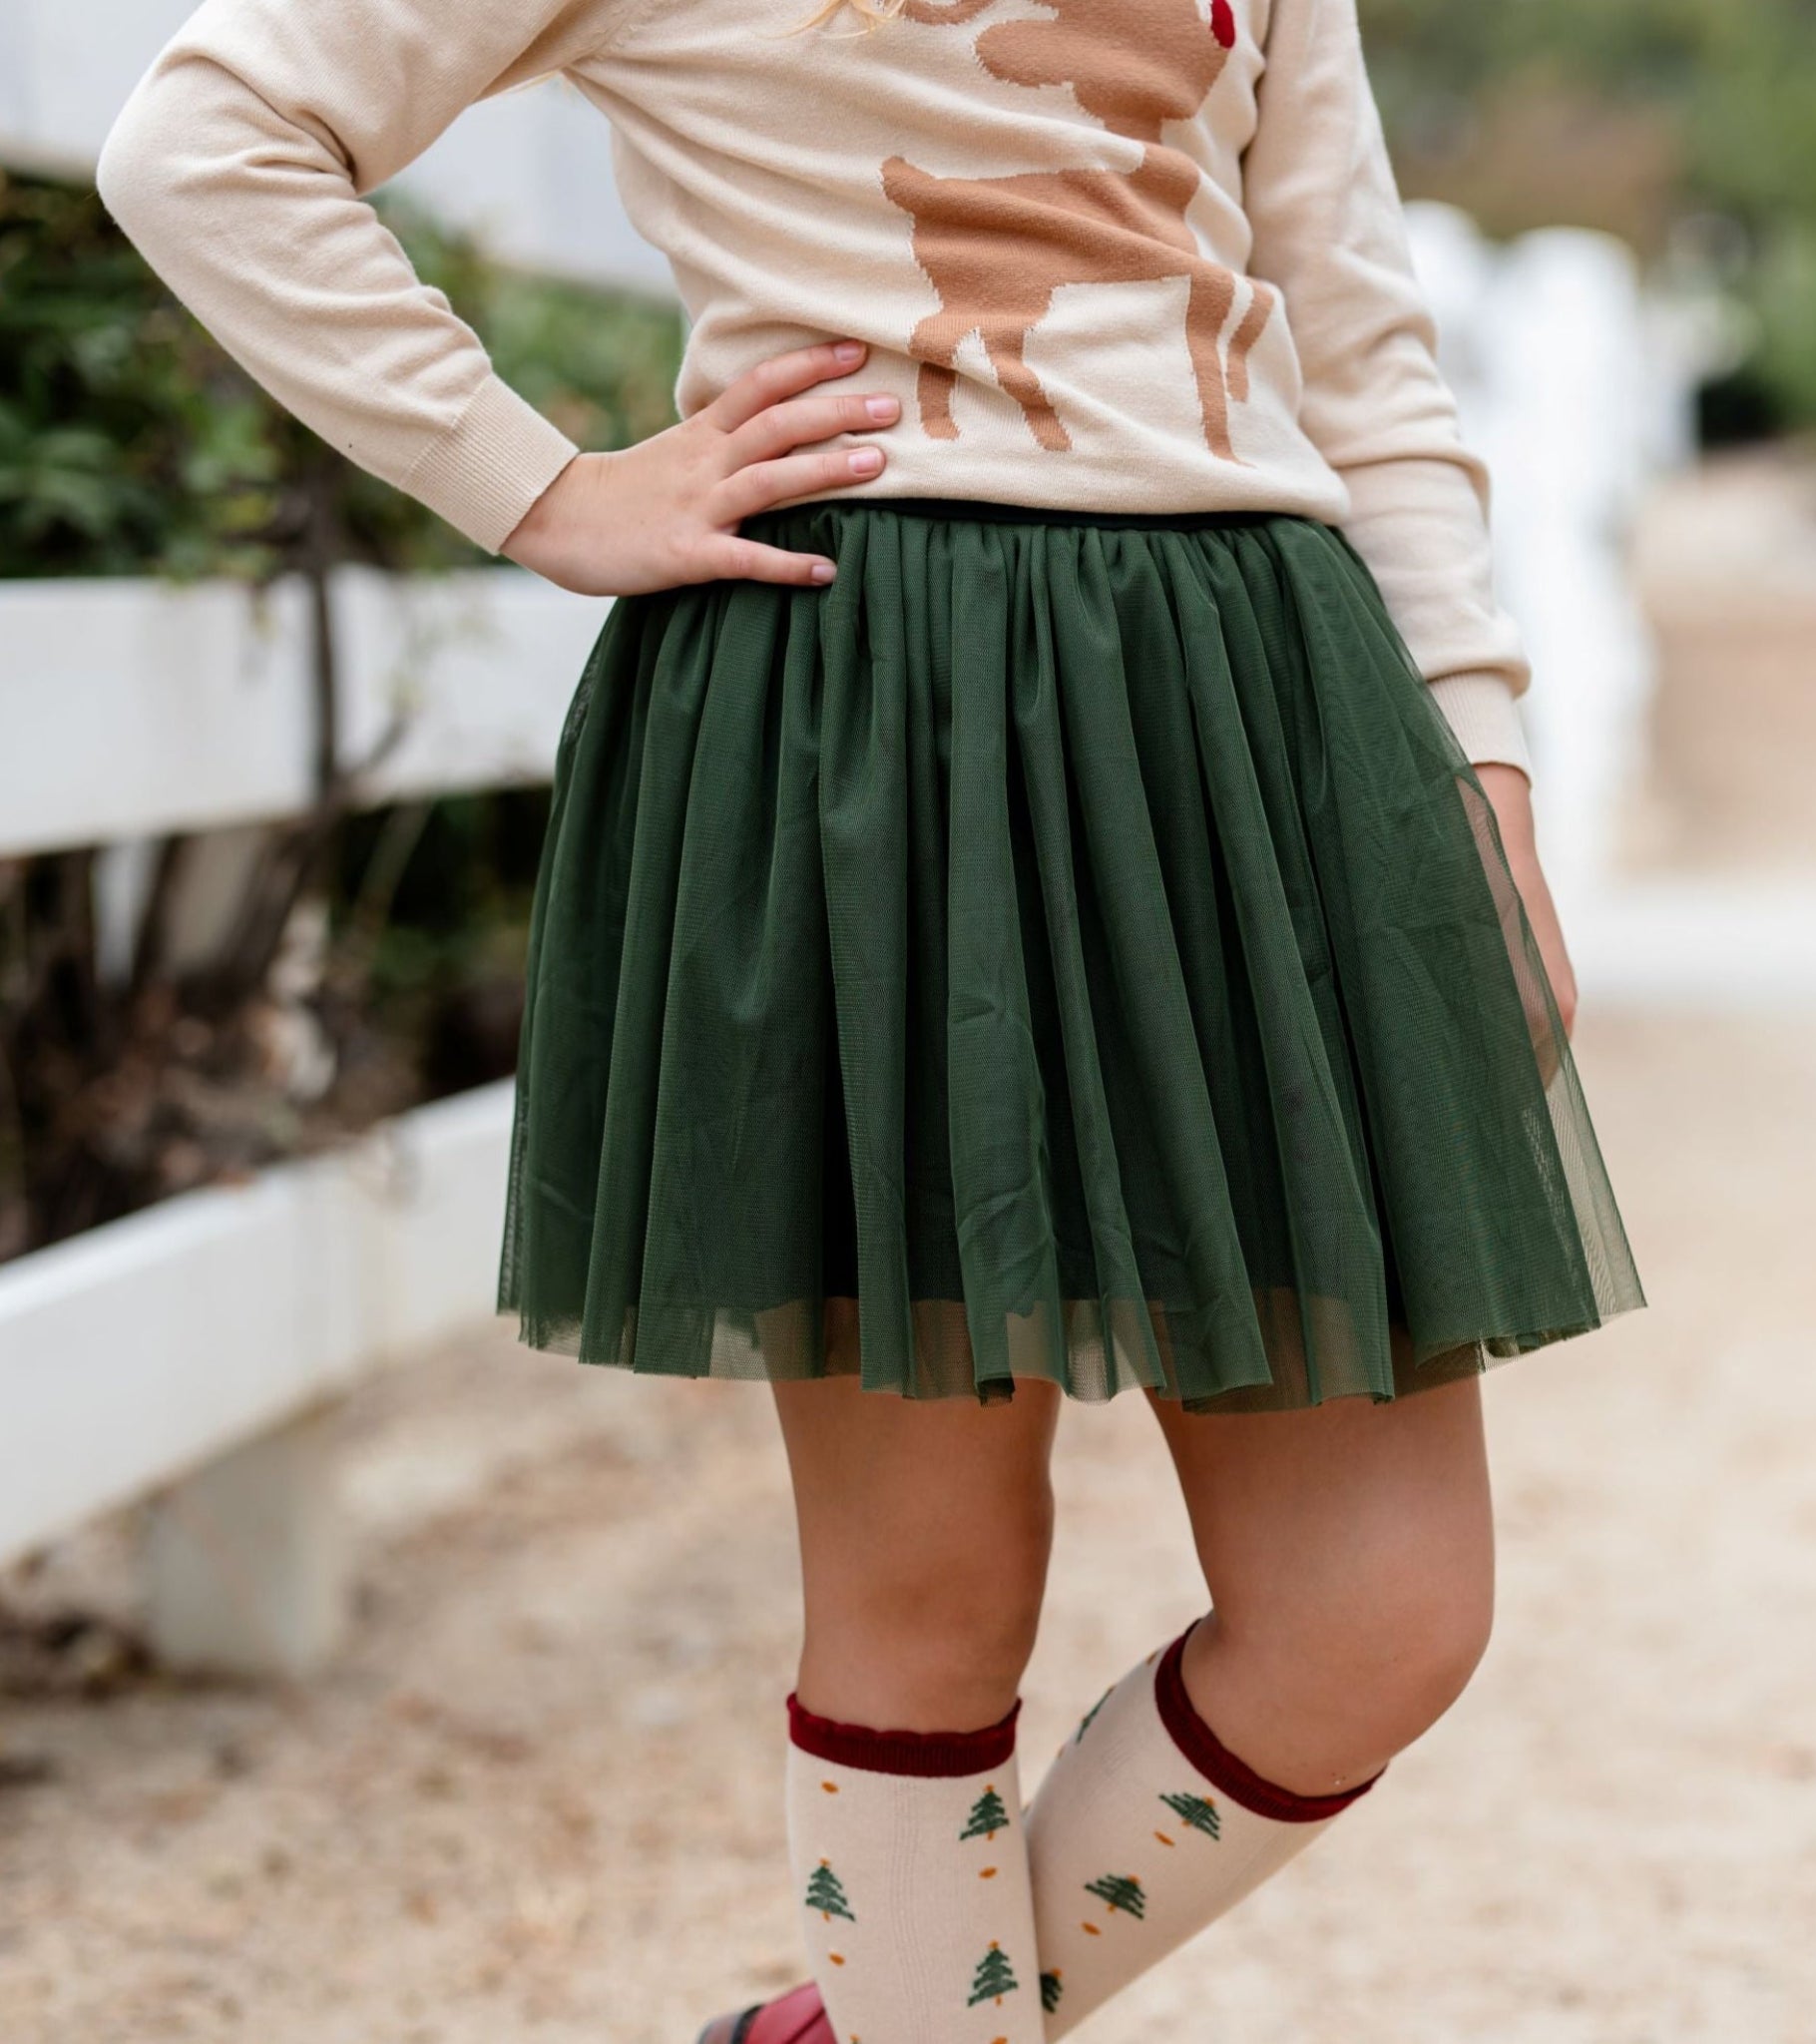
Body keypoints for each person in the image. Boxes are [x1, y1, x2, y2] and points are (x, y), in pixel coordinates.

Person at [98, 0, 1644, 2035]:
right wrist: (541, 488)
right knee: (928, 1597)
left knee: (1378, 1613)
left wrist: (1482, 751)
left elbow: (1348, 318)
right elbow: (206, 139)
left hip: (1253, 729)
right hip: (871, 727)